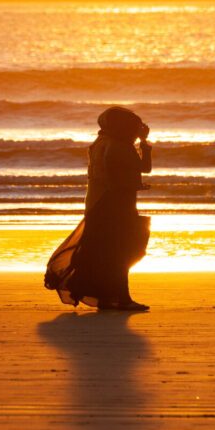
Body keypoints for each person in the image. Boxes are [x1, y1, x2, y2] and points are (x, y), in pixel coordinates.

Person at [44, 106, 152, 310]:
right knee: (121, 252)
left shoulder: (101, 143)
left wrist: (141, 143)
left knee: (105, 253)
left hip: (99, 203)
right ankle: (121, 298)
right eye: (134, 126)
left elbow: (120, 173)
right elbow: (131, 173)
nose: (137, 129)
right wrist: (142, 146)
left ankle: (108, 297)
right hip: (114, 205)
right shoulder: (119, 145)